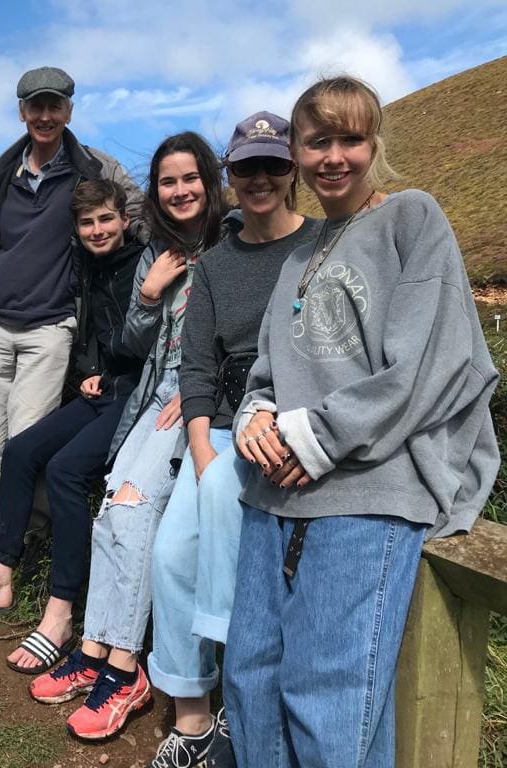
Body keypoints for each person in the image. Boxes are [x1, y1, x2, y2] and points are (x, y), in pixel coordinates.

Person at [223, 75, 500, 767]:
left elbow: (425, 366)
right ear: (296, 153)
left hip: (368, 491)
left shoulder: (412, 218)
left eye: (351, 138)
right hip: (273, 492)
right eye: (318, 141)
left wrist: (313, 437)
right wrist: (255, 417)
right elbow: (267, 372)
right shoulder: (298, 256)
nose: (334, 156)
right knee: (250, 683)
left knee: (329, 699)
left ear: (375, 145)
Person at [26, 131, 227, 740]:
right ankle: (93, 651)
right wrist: (148, 293)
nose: (180, 190)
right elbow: (130, 345)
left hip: (194, 396)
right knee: (114, 510)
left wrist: (198, 394)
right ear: (156, 193)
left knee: (134, 511)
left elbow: (239, 338)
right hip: (153, 393)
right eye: (168, 181)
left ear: (209, 181)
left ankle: (123, 669)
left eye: (190, 178)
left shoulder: (234, 237)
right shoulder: (157, 251)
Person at [145, 113, 322, 767]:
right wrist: (202, 451)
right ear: (232, 174)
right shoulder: (216, 264)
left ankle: (239, 698)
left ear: (292, 170)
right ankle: (194, 717)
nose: (260, 179)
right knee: (169, 554)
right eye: (246, 167)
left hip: (287, 424)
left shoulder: (323, 246)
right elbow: (195, 370)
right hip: (218, 426)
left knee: (220, 492)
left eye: (273, 165)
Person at [0, 180, 146, 670]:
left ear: (125, 219)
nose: (98, 230)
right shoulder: (84, 268)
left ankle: (60, 613)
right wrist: (89, 371)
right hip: (103, 390)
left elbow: (149, 339)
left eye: (106, 220)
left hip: (138, 398)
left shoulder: (143, 263)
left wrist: (149, 297)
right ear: (77, 228)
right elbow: (90, 335)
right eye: (88, 222)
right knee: (20, 451)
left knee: (67, 471)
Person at [0, 67, 144, 552]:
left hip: (53, 326)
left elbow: (140, 215)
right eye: (35, 106)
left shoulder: (97, 169)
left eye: (53, 105)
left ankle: (29, 541)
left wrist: (190, 252)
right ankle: (6, 548)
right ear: (22, 112)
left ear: (69, 111)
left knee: (27, 441)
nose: (44, 115)